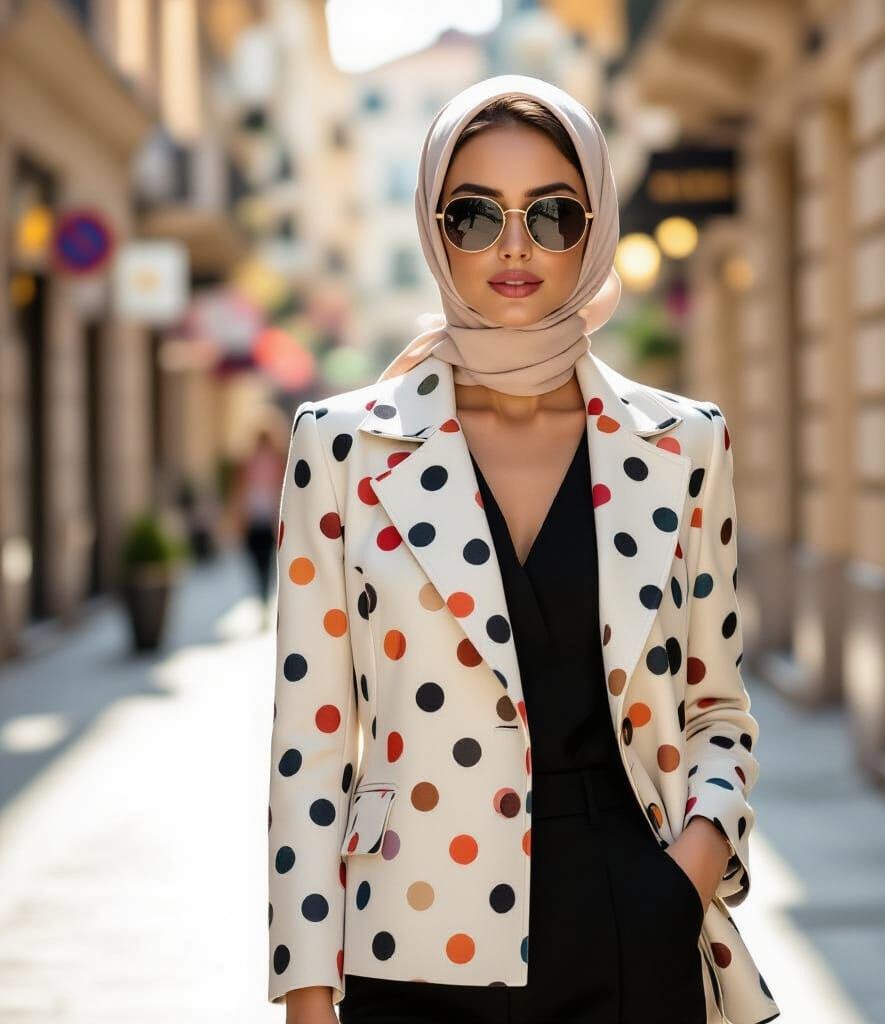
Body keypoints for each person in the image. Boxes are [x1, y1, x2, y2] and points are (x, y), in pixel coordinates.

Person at [267, 75, 779, 1024]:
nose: (513, 246)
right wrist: (307, 989)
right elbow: (311, 741)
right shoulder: (342, 447)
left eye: (551, 213)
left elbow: (717, 704)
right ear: (433, 226)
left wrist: (691, 871)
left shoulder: (682, 443)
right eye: (474, 215)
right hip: (410, 939)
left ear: (594, 227)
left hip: (635, 920)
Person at [230, 422, 286, 623]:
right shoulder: (248, 462)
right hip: (256, 516)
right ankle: (262, 596)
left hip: (265, 516)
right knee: (258, 560)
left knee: (263, 561)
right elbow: (241, 490)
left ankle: (262, 597)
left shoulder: (277, 461)